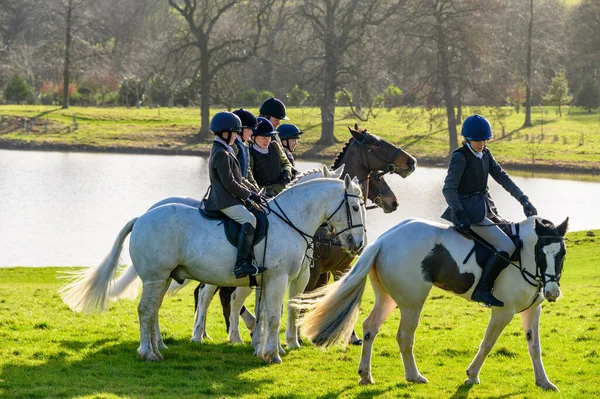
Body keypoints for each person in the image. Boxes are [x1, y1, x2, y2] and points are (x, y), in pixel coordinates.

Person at [441, 114, 538, 307]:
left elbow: (503, 178)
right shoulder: (460, 157)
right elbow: (448, 188)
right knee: (507, 246)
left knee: (514, 236)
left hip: (486, 208)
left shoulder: (486, 154)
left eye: (484, 139)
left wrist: (523, 200)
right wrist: (459, 213)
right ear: (467, 138)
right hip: (468, 214)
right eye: (477, 140)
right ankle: (482, 290)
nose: (481, 143)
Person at [204, 111, 267, 279]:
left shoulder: (226, 149)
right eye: (234, 133)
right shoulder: (221, 153)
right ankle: (241, 264)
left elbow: (239, 178)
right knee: (250, 219)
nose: (235, 136)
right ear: (225, 133)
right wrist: (248, 196)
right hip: (223, 200)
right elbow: (230, 183)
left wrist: (255, 194)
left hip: (230, 197)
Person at [249, 117, 293, 197]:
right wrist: (259, 193)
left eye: (269, 137)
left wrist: (287, 172)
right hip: (263, 195)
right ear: (253, 138)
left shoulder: (275, 146)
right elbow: (250, 178)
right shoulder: (250, 154)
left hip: (282, 191)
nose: (267, 141)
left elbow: (286, 163)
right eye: (264, 138)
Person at [232, 108, 260, 191]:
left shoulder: (244, 144)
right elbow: (235, 176)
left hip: (244, 189)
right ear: (239, 130)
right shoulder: (233, 147)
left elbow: (247, 171)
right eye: (249, 129)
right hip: (236, 190)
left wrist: (256, 189)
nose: (251, 133)